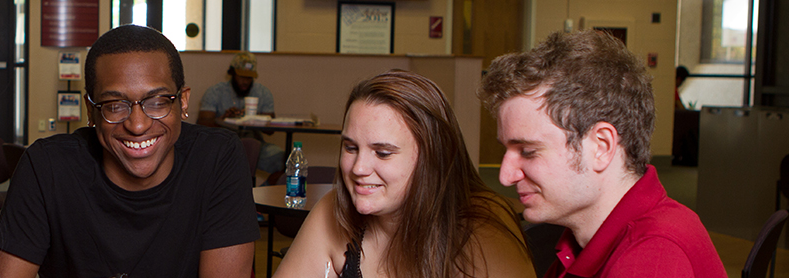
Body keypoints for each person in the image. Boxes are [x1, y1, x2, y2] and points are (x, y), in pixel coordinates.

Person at [0, 24, 260, 278]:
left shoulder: (217, 158)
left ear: (183, 101)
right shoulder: (47, 167)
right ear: (91, 110)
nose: (138, 124)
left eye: (157, 102)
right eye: (114, 105)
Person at [479, 31, 726, 277]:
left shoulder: (652, 257)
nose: (505, 176)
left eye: (528, 151)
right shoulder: (580, 240)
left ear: (601, 146)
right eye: (507, 150)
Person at [275, 70, 533, 278]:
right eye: (351, 148)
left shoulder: (482, 225)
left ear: (432, 158)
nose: (358, 168)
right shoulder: (333, 210)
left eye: (383, 153)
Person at [197, 51, 284, 174]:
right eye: (242, 76)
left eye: (249, 77)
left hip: (255, 144)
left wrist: (253, 118)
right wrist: (223, 120)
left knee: (283, 159)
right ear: (232, 73)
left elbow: (270, 130)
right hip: (222, 145)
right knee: (205, 160)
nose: (245, 82)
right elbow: (201, 125)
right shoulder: (215, 92)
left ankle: (261, 192)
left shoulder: (263, 93)